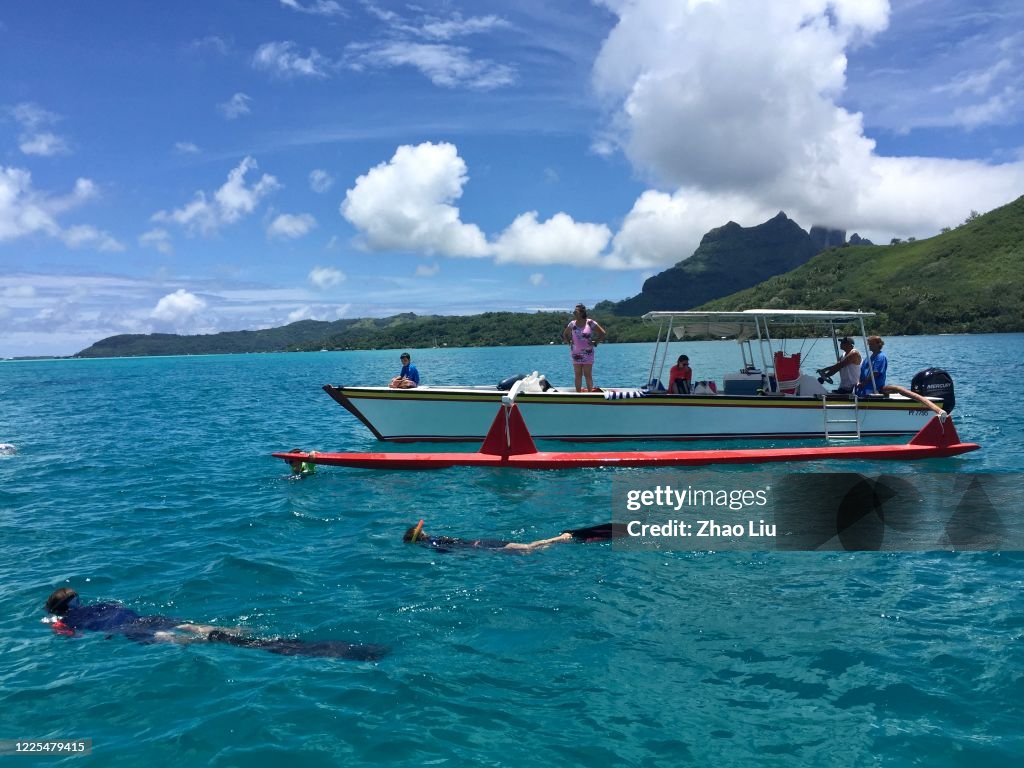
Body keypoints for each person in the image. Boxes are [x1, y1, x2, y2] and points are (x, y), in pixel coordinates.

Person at [43, 587, 386, 661]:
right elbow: (119, 608)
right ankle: (222, 633)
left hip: (131, 629)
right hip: (141, 619)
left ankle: (215, 639)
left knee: (177, 639)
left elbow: (68, 636)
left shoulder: (61, 620)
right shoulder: (103, 603)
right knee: (191, 626)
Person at [403, 520, 626, 553]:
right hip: (481, 545)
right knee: (526, 549)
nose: (426, 531)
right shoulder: (432, 543)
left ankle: (561, 538)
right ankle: (557, 540)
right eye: (422, 531)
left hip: (482, 546)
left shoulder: (432, 544)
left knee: (527, 548)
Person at [562, 304, 607, 392]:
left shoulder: (590, 322)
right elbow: (565, 334)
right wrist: (569, 343)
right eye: (574, 311)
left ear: (582, 312)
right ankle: (578, 395)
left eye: (576, 311)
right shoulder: (572, 323)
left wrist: (595, 342)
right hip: (575, 353)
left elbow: (602, 333)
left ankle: (590, 394)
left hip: (588, 353)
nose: (574, 312)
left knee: (587, 375)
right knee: (578, 375)